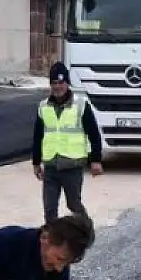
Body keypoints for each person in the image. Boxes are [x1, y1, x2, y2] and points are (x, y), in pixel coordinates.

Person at [33, 61, 103, 223]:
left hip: (72, 166)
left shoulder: (81, 105)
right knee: (49, 209)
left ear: (67, 83)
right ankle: (52, 244)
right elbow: (38, 136)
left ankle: (86, 232)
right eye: (54, 83)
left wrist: (96, 160)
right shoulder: (44, 107)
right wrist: (36, 162)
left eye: (61, 82)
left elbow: (93, 134)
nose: (58, 87)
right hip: (51, 166)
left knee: (74, 205)